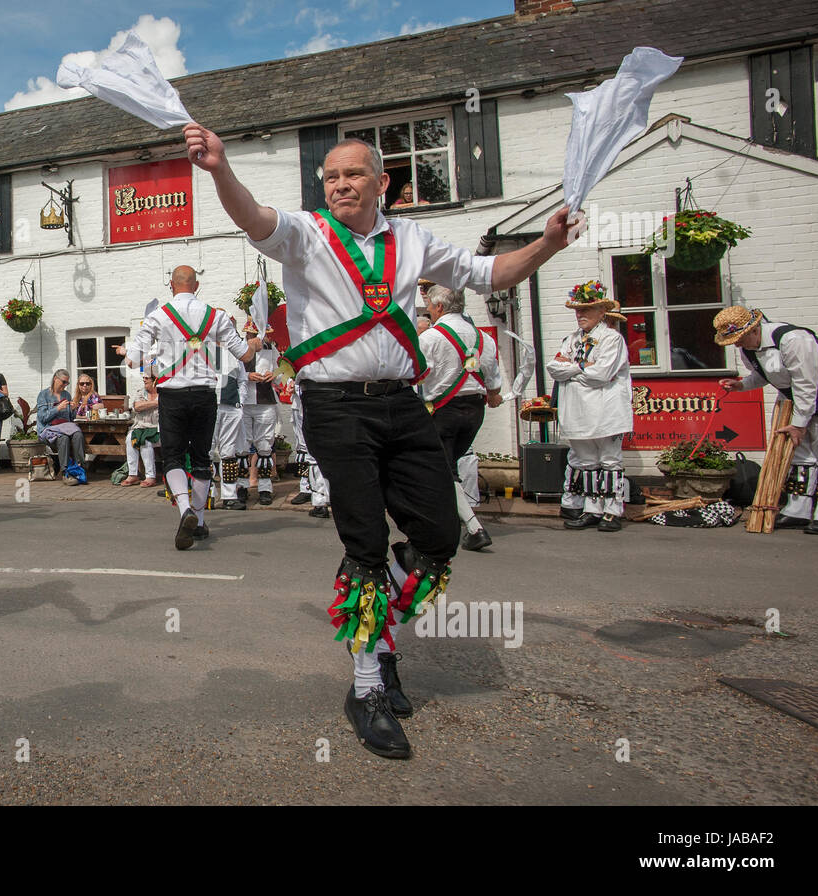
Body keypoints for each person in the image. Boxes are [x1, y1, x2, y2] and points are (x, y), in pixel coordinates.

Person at [184, 122, 572, 759]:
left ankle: (378, 632)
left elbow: (490, 272)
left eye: (353, 173)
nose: (339, 184)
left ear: (382, 182)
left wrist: (549, 244)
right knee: (364, 541)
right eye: (331, 175)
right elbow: (253, 217)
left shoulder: (412, 238)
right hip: (334, 405)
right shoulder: (306, 234)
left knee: (439, 537)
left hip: (402, 401)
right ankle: (367, 682)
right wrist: (220, 168)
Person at [122, 265, 261, 550]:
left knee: (173, 456)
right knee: (201, 457)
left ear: (171, 286)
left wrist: (152, 357)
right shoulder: (217, 316)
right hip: (205, 395)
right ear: (196, 286)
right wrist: (256, 344)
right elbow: (245, 354)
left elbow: (133, 362)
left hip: (172, 396)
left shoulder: (157, 316)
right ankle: (197, 520)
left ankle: (185, 508)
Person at [716, 305, 818, 534]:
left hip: (817, 396)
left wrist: (798, 424)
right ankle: (799, 510)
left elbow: (806, 384)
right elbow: (765, 375)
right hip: (794, 401)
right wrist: (742, 385)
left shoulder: (793, 340)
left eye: (739, 338)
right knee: (800, 456)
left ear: (754, 330)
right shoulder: (750, 349)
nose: (736, 345)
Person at [419, 285, 504, 551]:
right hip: (475, 412)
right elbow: (492, 380)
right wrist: (492, 394)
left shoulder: (430, 338)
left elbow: (417, 374)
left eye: (430, 306)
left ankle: (474, 528)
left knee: (444, 469)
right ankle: (444, 518)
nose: (429, 311)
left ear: (440, 307)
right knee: (445, 466)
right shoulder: (482, 338)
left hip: (444, 411)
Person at [548, 282, 632, 532]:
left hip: (606, 411)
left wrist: (571, 369)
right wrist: (583, 368)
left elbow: (603, 373)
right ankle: (592, 508)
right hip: (578, 411)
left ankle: (613, 511)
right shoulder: (572, 339)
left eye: (586, 310)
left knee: (609, 460)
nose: (580, 315)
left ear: (601, 312)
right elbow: (554, 368)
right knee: (586, 462)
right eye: (577, 310)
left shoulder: (611, 339)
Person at [240, 319, 280, 505]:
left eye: (258, 335)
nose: (256, 338)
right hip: (244, 402)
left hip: (265, 401)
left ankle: (265, 488)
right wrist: (246, 376)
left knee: (264, 445)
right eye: (252, 335)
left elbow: (282, 370)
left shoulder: (272, 350)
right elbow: (227, 372)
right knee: (242, 445)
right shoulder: (238, 349)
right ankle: (241, 487)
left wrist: (276, 374)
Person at [212, 322, 250, 509]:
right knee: (207, 450)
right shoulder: (203, 351)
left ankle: (229, 496)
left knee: (228, 451)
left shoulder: (235, 354)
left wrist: (240, 403)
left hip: (231, 406)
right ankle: (207, 494)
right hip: (210, 406)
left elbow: (242, 381)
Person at [286, 378, 331, 518]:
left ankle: (323, 498)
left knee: (320, 452)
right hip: (301, 405)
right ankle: (309, 490)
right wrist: (292, 384)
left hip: (321, 403)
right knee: (305, 450)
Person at [37, 369, 88, 483]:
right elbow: (42, 418)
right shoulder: (43, 395)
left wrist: (74, 409)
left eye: (67, 383)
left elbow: (70, 417)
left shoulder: (66, 394)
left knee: (78, 434)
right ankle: (66, 473)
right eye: (63, 382)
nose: (65, 385)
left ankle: (79, 469)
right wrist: (57, 408)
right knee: (63, 438)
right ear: (55, 379)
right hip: (49, 429)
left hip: (66, 427)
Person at [120, 374, 160, 487]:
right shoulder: (141, 392)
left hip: (158, 429)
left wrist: (146, 405)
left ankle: (150, 476)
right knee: (130, 438)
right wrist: (156, 403)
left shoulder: (163, 393)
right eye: (143, 378)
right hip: (140, 427)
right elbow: (137, 407)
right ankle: (133, 475)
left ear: (155, 380)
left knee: (146, 441)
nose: (144, 379)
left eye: (147, 378)